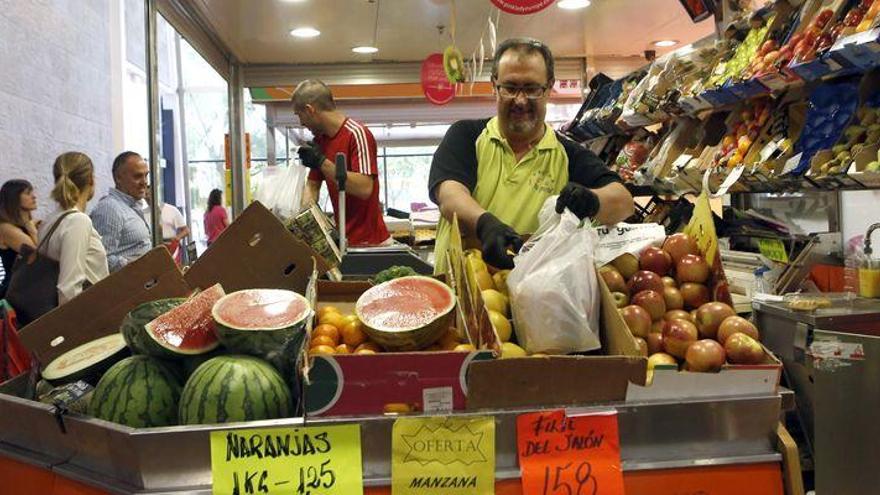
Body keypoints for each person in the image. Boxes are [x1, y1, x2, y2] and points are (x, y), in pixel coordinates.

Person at [429, 38, 634, 272]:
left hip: (533, 300)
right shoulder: (466, 135)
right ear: (494, 85)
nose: (520, 100)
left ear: (549, 88)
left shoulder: (569, 154)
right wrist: (485, 224)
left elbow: (624, 202)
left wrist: (591, 200)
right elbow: (449, 194)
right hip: (460, 295)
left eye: (532, 89)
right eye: (510, 87)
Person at [292, 79, 391, 246]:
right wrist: (303, 219)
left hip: (372, 242)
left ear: (310, 110)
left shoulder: (357, 134)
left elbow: (365, 188)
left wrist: (322, 162)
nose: (301, 123)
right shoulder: (320, 141)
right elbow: (312, 185)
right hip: (344, 241)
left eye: (299, 115)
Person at [38, 152, 109, 304]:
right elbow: (69, 289)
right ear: (91, 179)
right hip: (86, 315)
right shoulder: (78, 221)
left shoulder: (50, 219)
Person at [90, 151, 152, 272]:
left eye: (146, 175)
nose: (144, 182)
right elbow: (101, 259)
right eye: (137, 176)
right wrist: (139, 266)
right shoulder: (109, 209)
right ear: (118, 178)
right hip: (126, 287)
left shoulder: (133, 206)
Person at [0, 180, 38, 299]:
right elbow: (38, 254)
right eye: (27, 193)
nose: (34, 196)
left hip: (28, 289)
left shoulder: (25, 225)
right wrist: (31, 226)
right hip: (16, 293)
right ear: (14, 198)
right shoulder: (6, 228)